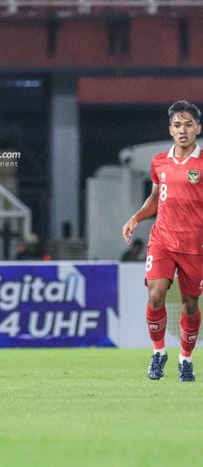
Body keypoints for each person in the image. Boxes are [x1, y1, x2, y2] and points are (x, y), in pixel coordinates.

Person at [122, 100, 203, 383]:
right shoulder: (159, 162)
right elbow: (156, 198)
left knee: (190, 304)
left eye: (188, 125)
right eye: (178, 125)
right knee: (155, 294)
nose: (183, 130)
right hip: (163, 240)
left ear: (198, 128)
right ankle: (158, 353)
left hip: (195, 245)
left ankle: (186, 360)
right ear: (170, 129)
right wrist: (137, 217)